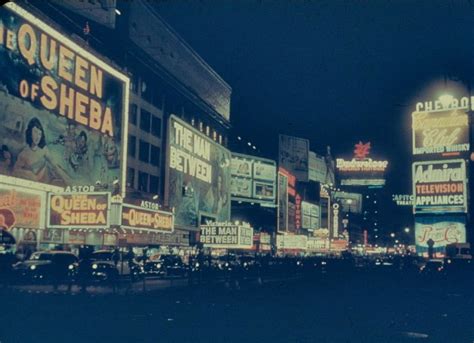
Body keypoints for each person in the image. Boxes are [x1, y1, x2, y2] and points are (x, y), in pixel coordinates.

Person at [13, 118, 69, 184]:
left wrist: (66, 180)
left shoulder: (43, 149)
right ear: (30, 133)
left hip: (50, 181)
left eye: (40, 134)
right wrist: (29, 174)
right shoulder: (24, 154)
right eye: (35, 132)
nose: (38, 136)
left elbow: (55, 166)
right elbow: (15, 171)